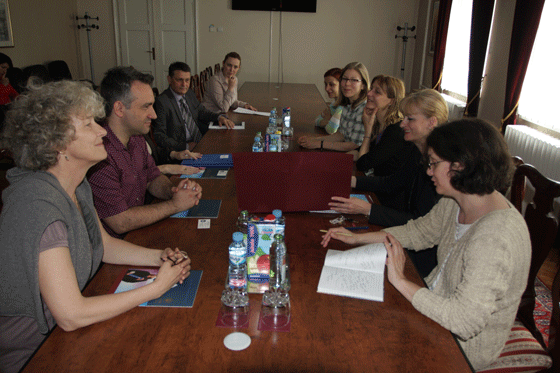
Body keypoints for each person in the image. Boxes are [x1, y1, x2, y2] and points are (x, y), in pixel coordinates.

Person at [0, 80, 192, 373]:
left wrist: (159, 257)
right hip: (36, 353)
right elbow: (71, 315)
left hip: (67, 336)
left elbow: (104, 245)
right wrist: (156, 288)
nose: (102, 130)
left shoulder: (75, 186)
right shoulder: (37, 206)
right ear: (57, 143)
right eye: (89, 124)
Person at [322, 119, 531, 371]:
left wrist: (400, 281)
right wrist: (356, 237)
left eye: (433, 163)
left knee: (359, 347)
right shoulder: (457, 200)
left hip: (462, 348)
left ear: (460, 165)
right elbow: (419, 232)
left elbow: (464, 322)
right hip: (433, 303)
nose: (428, 171)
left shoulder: (495, 237)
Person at [329, 89, 448, 277]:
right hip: (404, 236)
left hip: (421, 256)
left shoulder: (442, 169)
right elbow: (392, 183)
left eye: (410, 119)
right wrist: (351, 181)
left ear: (432, 122)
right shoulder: (417, 150)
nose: (402, 124)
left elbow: (420, 224)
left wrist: (368, 210)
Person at [88, 66, 202, 238]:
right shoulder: (99, 154)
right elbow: (120, 221)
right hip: (119, 248)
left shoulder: (136, 138)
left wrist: (174, 191)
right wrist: (174, 205)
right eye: (145, 107)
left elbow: (152, 177)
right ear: (119, 109)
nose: (154, 115)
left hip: (141, 231)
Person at [152, 62, 234, 155]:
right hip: (183, 151)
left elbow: (201, 111)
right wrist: (185, 146)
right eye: (180, 80)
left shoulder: (189, 93)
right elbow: (160, 136)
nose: (184, 84)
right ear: (169, 79)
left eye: (187, 80)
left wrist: (219, 117)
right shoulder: (162, 102)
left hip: (202, 139)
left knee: (231, 148)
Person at [297, 62, 370, 152]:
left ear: (363, 85)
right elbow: (340, 135)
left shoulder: (364, 108)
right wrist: (314, 140)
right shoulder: (347, 104)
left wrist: (318, 144)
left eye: (354, 80)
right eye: (345, 79)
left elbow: (353, 145)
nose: (347, 83)